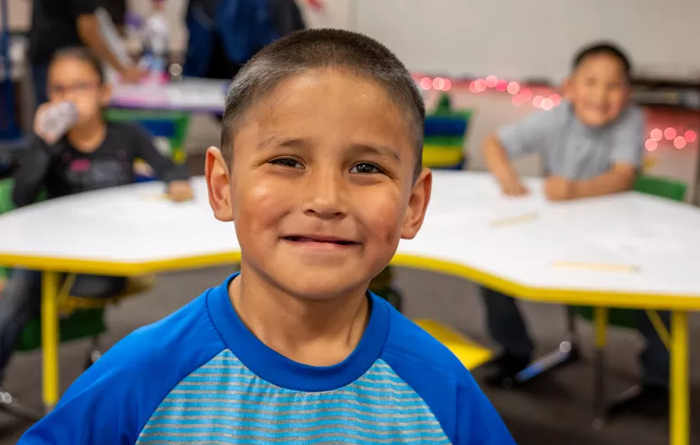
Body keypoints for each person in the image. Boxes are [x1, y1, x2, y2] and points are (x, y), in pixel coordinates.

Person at [17, 30, 515, 444]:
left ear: (413, 204)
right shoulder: (143, 376)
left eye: (366, 167)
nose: (326, 199)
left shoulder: (441, 391)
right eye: (286, 161)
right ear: (223, 187)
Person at [481, 42, 668, 416]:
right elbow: (494, 143)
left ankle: (658, 380)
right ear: (570, 87)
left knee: (659, 284)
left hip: (613, 236)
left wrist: (576, 190)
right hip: (555, 232)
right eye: (591, 82)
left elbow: (623, 176)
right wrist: (508, 179)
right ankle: (515, 350)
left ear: (627, 93)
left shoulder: (630, 119)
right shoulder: (557, 116)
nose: (600, 95)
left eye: (613, 85)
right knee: (489, 265)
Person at [0, 47, 193, 407]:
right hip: (57, 252)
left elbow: (169, 165)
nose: (68, 98)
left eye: (79, 87)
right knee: (21, 286)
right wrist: (42, 143)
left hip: (111, 253)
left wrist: (176, 181)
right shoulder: (51, 145)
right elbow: (23, 196)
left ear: (104, 93)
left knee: (39, 285)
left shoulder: (126, 134)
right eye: (58, 89)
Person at [28, 0, 145, 107]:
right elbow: (88, 30)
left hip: (44, 54)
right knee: (68, 116)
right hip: (63, 62)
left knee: (53, 117)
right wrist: (123, 70)